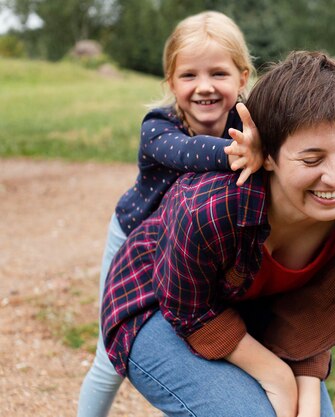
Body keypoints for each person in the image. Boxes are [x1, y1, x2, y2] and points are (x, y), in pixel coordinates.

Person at [100, 50, 335, 417]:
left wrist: (307, 392)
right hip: (156, 304)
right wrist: (276, 376)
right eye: (312, 160)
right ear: (267, 155)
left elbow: (317, 310)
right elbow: (189, 310)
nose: (334, 179)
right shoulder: (205, 207)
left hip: (247, 308)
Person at [77, 11, 262, 417]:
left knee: (188, 344)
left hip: (190, 250)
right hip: (133, 244)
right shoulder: (158, 126)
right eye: (189, 76)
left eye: (219, 73)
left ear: (243, 78)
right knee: (109, 361)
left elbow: (299, 137)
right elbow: (186, 154)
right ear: (170, 83)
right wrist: (243, 152)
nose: (205, 87)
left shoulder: (250, 124)